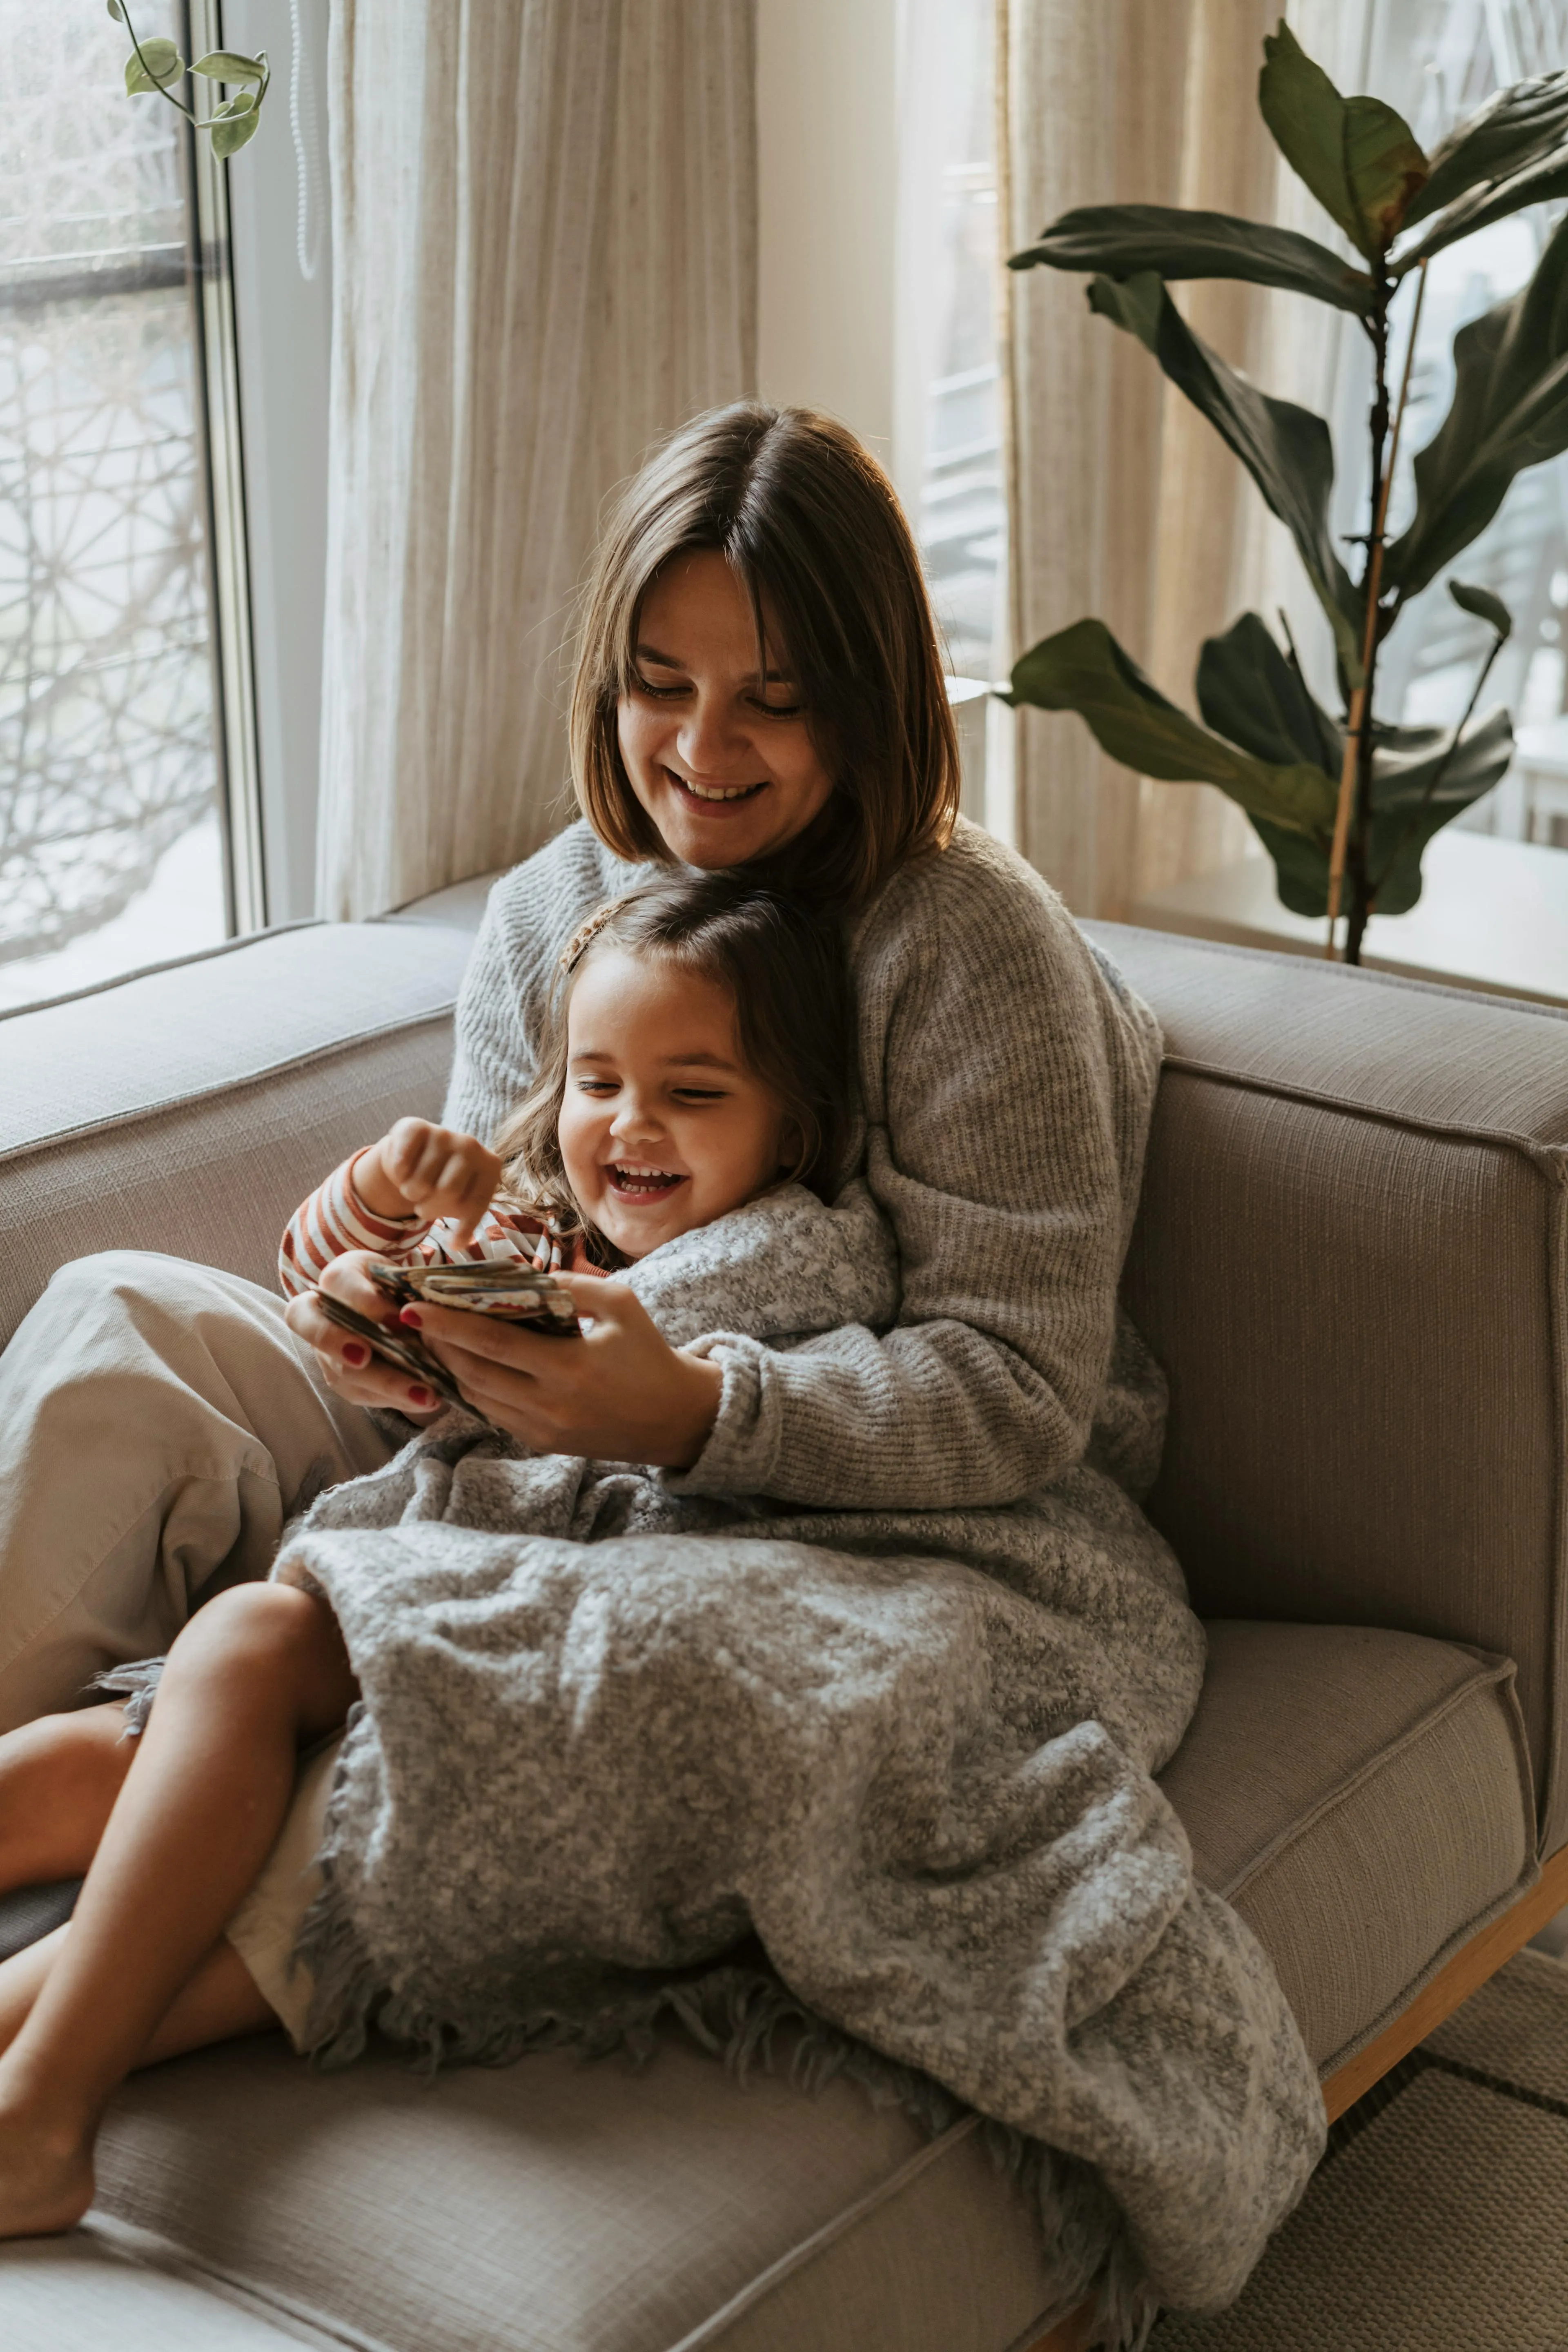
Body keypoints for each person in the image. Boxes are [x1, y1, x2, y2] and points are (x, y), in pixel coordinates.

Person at [0, 872, 866, 2236]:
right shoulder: (542, 1221)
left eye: (693, 1095)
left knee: (241, 1665)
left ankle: (38, 2108)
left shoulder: (802, 1258)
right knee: (72, 1765)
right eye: (596, 1085)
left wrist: (463, 1360)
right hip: (391, 1586)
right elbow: (358, 1312)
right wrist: (379, 1239)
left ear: (796, 1121)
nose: (631, 1125)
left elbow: (644, 1420)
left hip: (520, 1624)